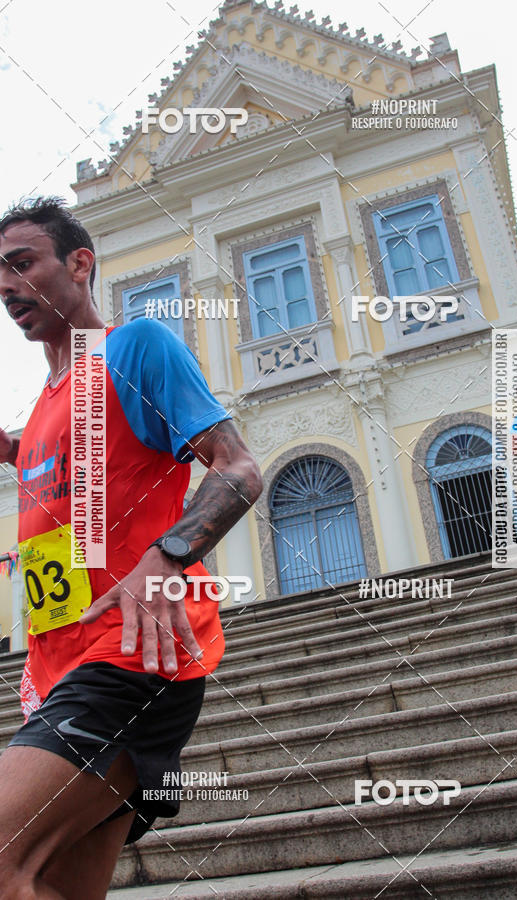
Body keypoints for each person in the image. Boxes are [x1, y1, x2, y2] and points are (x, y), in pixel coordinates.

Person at [0, 197, 263, 899]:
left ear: (80, 264)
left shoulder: (134, 347)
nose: (5, 285)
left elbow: (237, 468)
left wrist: (167, 558)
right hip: (57, 670)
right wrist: (8, 448)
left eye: (21, 264)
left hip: (134, 657)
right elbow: (67, 460)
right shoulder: (45, 400)